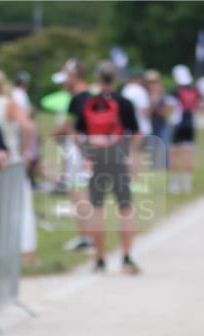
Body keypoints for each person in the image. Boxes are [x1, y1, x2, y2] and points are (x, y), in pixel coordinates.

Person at [73, 61, 142, 275]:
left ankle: (100, 260)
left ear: (97, 78)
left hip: (96, 159)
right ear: (116, 78)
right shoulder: (125, 103)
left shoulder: (88, 102)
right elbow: (137, 134)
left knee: (97, 209)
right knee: (126, 209)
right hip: (118, 157)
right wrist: (130, 154)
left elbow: (76, 135)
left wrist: (87, 153)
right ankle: (127, 258)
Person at [0, 67, 36, 256]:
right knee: (20, 206)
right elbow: (27, 126)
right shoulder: (10, 103)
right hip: (10, 158)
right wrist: (24, 151)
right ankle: (25, 249)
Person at [49, 59, 94, 252]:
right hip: (85, 149)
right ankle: (87, 236)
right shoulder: (89, 95)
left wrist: (51, 137)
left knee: (79, 194)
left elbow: (69, 127)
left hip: (78, 151)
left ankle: (86, 237)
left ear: (74, 76)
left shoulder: (78, 98)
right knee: (83, 194)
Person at [167, 65, 199, 195]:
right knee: (189, 154)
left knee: (174, 154)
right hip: (190, 124)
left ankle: (175, 185)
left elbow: (169, 108)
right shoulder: (195, 90)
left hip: (177, 125)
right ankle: (187, 185)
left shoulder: (175, 91)